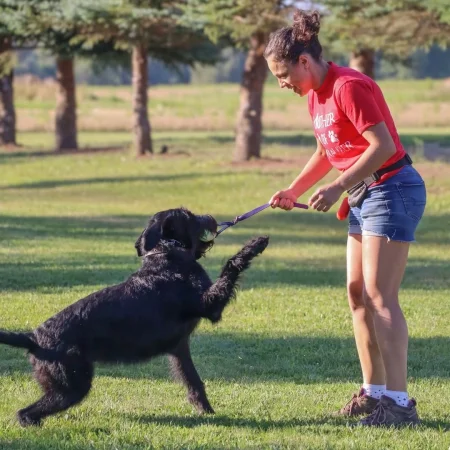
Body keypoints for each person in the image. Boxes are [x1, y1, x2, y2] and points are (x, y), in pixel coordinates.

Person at [264, 10, 426, 427]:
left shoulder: (348, 86)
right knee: (357, 294)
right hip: (364, 193)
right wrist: (294, 190)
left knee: (378, 295)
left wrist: (337, 186)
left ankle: (399, 403)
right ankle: (373, 395)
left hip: (391, 188)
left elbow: (382, 145)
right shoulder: (316, 95)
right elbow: (327, 149)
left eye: (283, 75)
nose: (283, 84)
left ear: (304, 61)